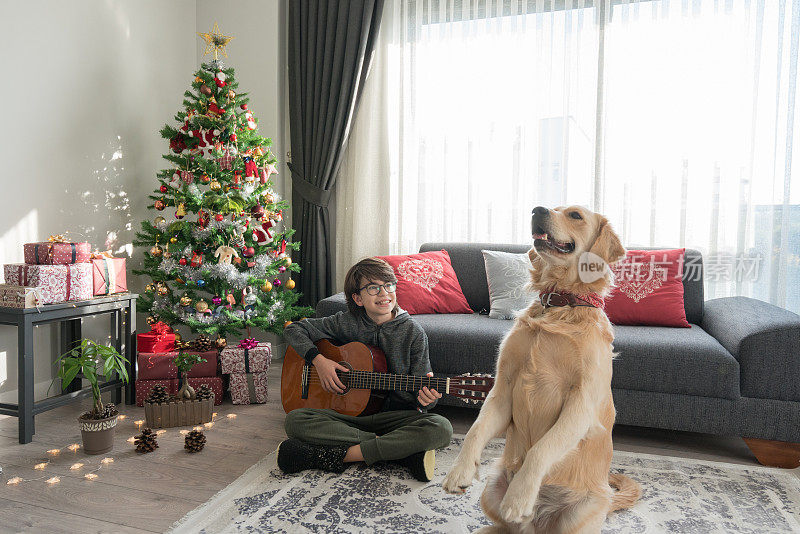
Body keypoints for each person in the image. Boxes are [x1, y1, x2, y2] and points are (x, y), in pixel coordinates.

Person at [278, 257, 453, 481]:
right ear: (358, 298)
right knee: (295, 420)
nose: (384, 293)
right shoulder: (346, 321)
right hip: (349, 418)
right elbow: (294, 330)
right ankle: (398, 451)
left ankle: (334, 455)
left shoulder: (414, 334)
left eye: (389, 285)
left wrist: (426, 399)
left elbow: (423, 398)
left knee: (441, 428)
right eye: (373, 288)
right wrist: (319, 362)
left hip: (395, 418)